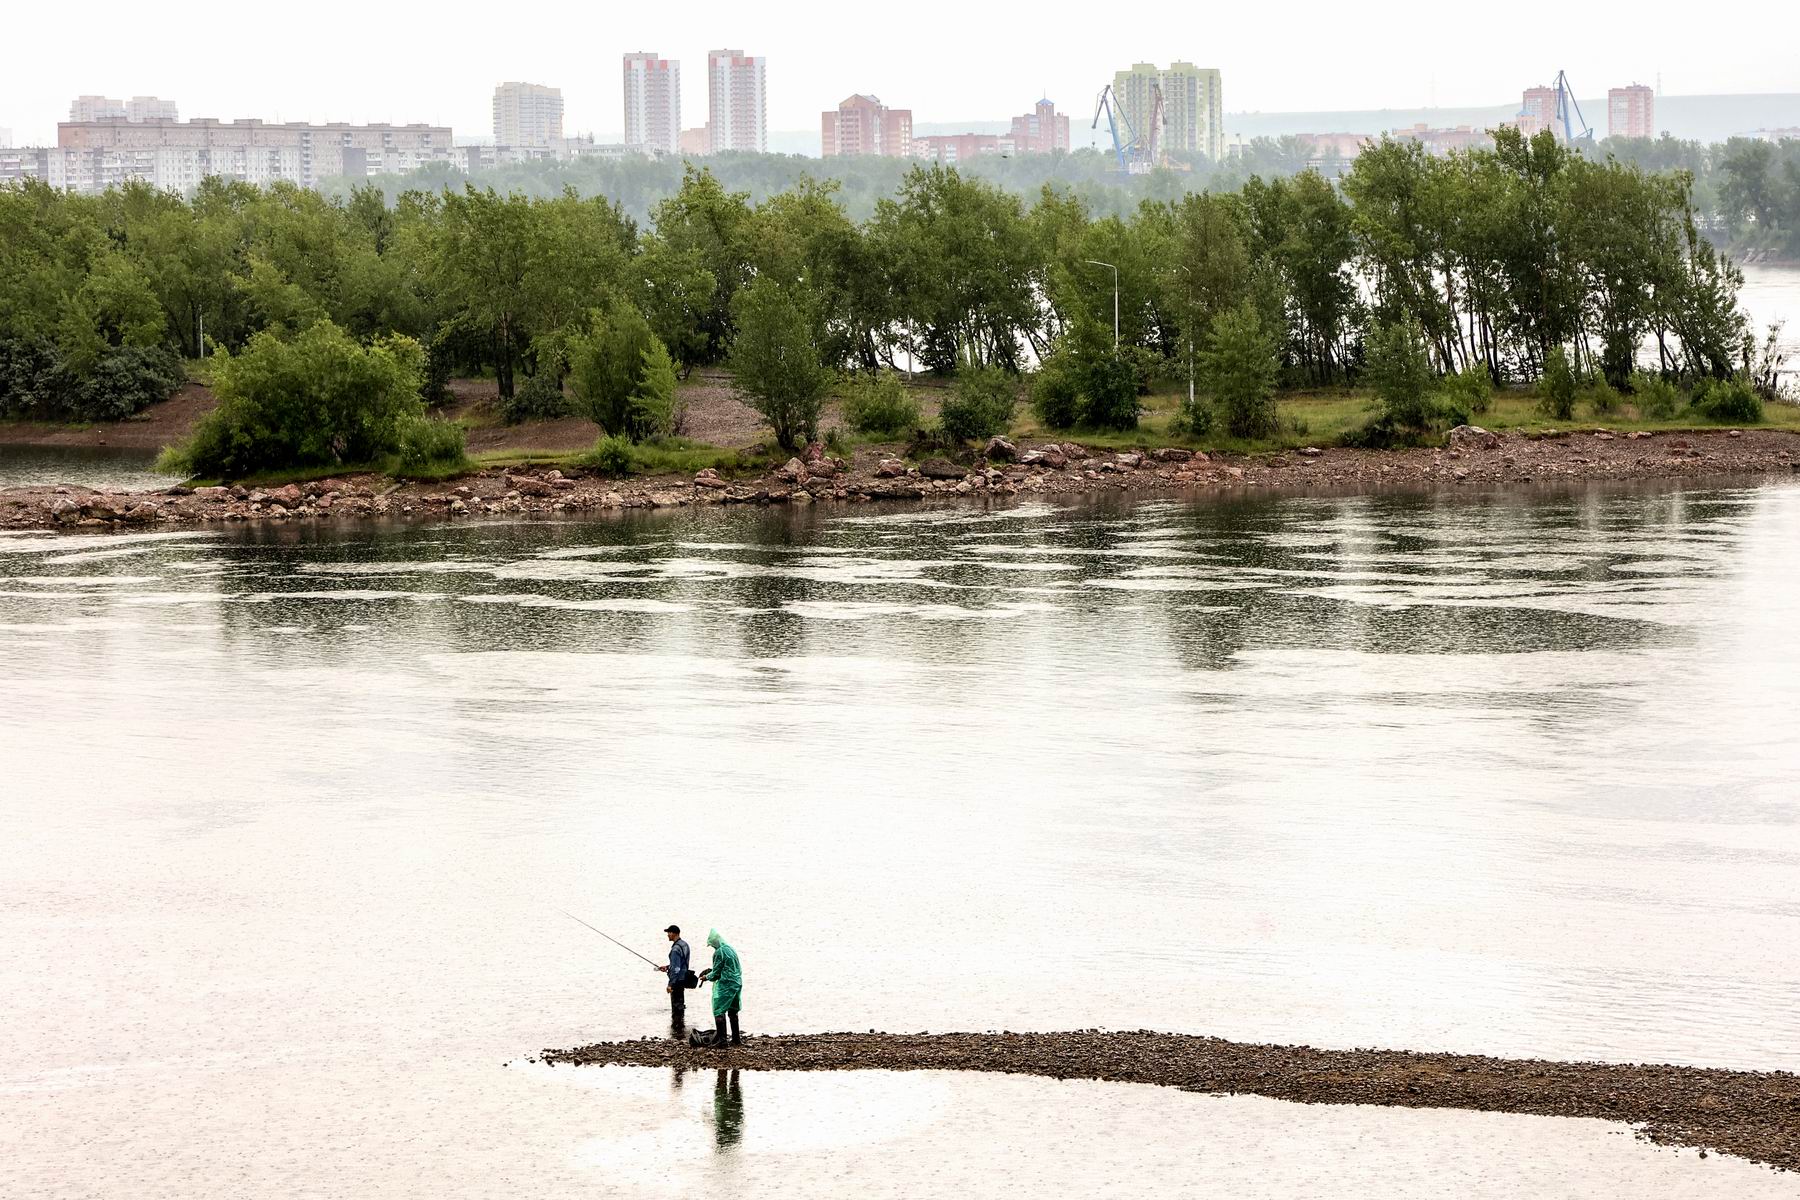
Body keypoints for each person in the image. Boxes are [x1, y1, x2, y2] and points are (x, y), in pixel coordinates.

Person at [697, 928, 743, 1046]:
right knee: (733, 1011)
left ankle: (722, 1041)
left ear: (715, 942)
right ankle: (736, 1039)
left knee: (719, 1010)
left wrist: (705, 977)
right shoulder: (730, 949)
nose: (713, 947)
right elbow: (728, 968)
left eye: (712, 945)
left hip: (725, 985)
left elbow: (716, 973)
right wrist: (711, 973)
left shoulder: (719, 952)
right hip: (736, 983)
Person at [654, 924, 690, 1028]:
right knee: (680, 1003)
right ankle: (681, 1028)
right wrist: (667, 967)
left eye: (669, 933)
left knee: (676, 1006)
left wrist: (670, 984)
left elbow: (676, 969)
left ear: (675, 934)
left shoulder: (675, 949)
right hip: (684, 978)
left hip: (677, 980)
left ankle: (677, 1028)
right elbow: (681, 963)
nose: (668, 935)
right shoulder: (685, 945)